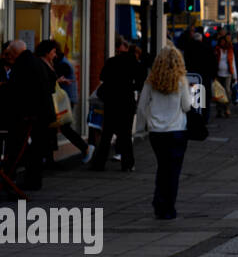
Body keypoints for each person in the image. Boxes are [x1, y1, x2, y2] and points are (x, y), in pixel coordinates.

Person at [137, 45, 192, 220]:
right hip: (177, 131)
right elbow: (187, 106)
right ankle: (168, 207)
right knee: (173, 171)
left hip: (157, 132)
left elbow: (141, 107)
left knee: (162, 167)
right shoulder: (181, 81)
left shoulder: (151, 81)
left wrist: (141, 128)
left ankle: (159, 202)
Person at [1, 40, 56, 193]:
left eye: (9, 53)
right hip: (40, 114)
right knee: (35, 149)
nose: (7, 56)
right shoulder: (34, 61)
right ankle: (33, 180)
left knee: (26, 149)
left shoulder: (23, 64)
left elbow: (18, 91)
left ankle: (27, 181)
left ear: (15, 52)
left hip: (31, 116)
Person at [88, 36, 143, 172]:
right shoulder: (134, 63)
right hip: (127, 101)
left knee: (106, 134)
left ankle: (99, 164)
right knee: (125, 134)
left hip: (112, 101)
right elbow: (140, 83)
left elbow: (102, 77)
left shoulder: (111, 61)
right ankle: (127, 164)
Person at [37, 40, 89, 164]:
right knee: (52, 128)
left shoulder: (60, 64)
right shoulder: (53, 63)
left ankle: (84, 147)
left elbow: (52, 79)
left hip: (61, 101)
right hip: (59, 100)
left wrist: (58, 81)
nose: (54, 55)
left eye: (55, 52)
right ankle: (49, 158)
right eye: (53, 52)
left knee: (62, 127)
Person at [213, 31, 236, 118]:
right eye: (221, 41)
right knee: (219, 92)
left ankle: (227, 108)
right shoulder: (217, 50)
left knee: (227, 91)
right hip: (218, 73)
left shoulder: (230, 50)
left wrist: (234, 75)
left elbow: (232, 62)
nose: (222, 43)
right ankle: (219, 110)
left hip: (227, 73)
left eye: (224, 41)